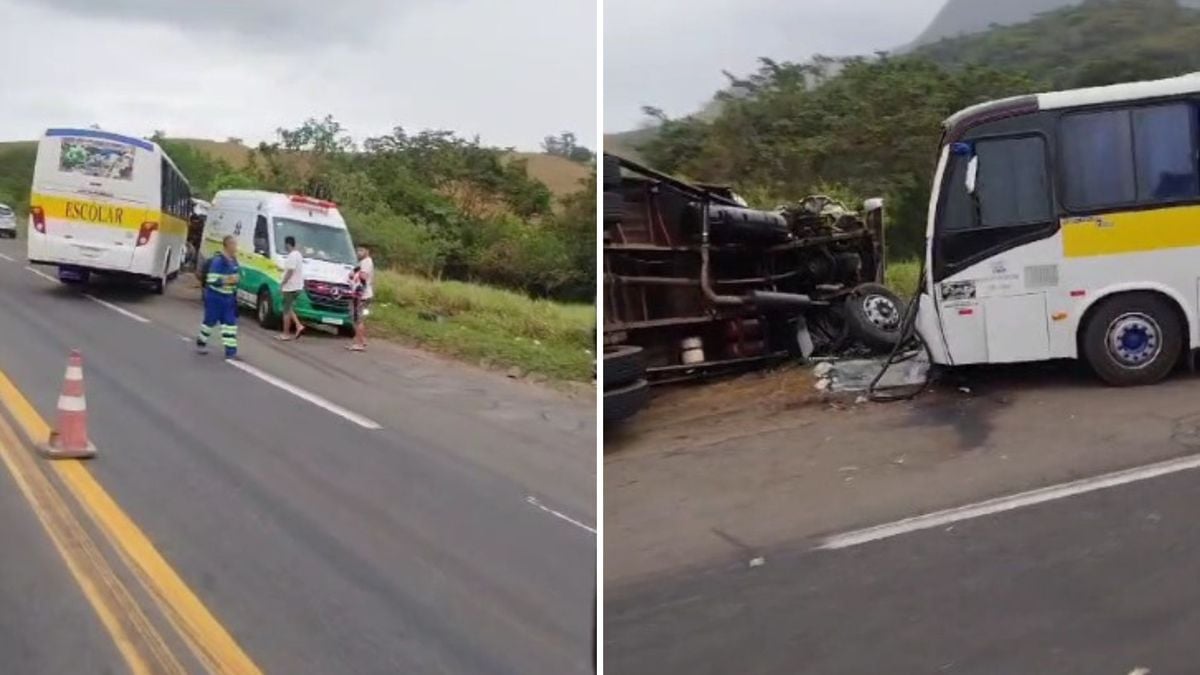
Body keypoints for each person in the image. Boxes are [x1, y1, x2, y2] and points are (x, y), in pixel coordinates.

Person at [197, 235, 241, 359]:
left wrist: (237, 281)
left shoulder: (234, 261)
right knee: (209, 322)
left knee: (230, 325)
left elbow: (238, 276)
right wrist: (229, 279)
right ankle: (201, 342)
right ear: (227, 245)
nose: (236, 247)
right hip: (215, 297)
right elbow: (211, 279)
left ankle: (231, 352)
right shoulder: (219, 261)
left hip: (229, 298)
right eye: (233, 244)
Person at [277, 235, 306, 341]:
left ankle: (286, 334)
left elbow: (290, 271)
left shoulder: (292, 255)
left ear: (288, 244)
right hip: (298, 286)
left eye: (285, 245)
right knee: (289, 308)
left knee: (286, 311)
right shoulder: (298, 254)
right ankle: (298, 326)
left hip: (290, 287)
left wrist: (282, 283)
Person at [347, 245, 374, 352]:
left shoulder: (366, 262)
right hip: (360, 294)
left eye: (361, 250)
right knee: (355, 318)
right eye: (358, 250)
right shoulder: (363, 262)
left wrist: (356, 275)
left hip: (361, 295)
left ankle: (360, 343)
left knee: (358, 320)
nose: (359, 252)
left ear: (367, 251)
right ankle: (360, 340)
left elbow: (363, 277)